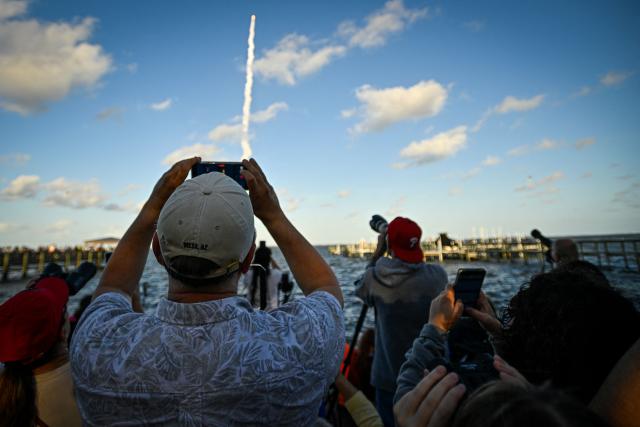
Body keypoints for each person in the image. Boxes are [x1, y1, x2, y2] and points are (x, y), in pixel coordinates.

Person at [70, 158, 345, 426]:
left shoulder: (97, 344)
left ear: (158, 251)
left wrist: (151, 209)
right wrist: (274, 216)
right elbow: (327, 290)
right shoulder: (302, 342)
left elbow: (112, 288)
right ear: (249, 259)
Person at [355, 217, 447, 426]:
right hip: (430, 372)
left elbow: (360, 288)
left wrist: (379, 251)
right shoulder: (438, 276)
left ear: (389, 244)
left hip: (389, 379)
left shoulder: (375, 277)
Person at [0, 277, 82, 427]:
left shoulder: (8, 393)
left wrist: (27, 300)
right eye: (64, 309)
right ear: (63, 332)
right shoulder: (87, 382)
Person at [242, 240, 283, 310]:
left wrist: (256, 258)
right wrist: (269, 257)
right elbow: (279, 271)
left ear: (256, 258)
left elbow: (246, 269)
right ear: (268, 259)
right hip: (271, 312)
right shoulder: (275, 274)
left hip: (252, 312)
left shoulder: (248, 274)